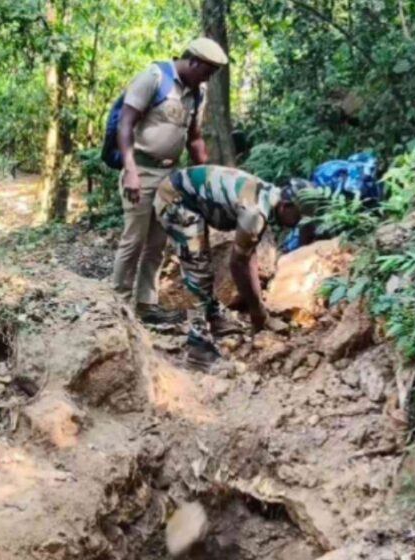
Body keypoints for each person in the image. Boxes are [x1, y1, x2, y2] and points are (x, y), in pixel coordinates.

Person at [112, 38, 227, 325]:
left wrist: (206, 178)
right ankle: (117, 303)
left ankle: (146, 304)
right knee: (134, 240)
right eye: (207, 71)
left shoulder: (197, 94)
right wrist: (130, 171)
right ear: (194, 62)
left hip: (170, 177)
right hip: (141, 169)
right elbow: (125, 124)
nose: (208, 78)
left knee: (157, 243)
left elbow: (195, 137)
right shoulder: (154, 78)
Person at [154, 165, 312, 368]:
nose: (299, 222)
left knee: (203, 265)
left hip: (186, 195)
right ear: (286, 206)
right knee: (197, 271)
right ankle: (198, 349)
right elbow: (238, 264)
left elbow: (248, 252)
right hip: (175, 199)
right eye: (299, 216)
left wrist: (259, 311)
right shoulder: (255, 212)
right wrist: (257, 313)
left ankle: (214, 318)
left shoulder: (268, 196)